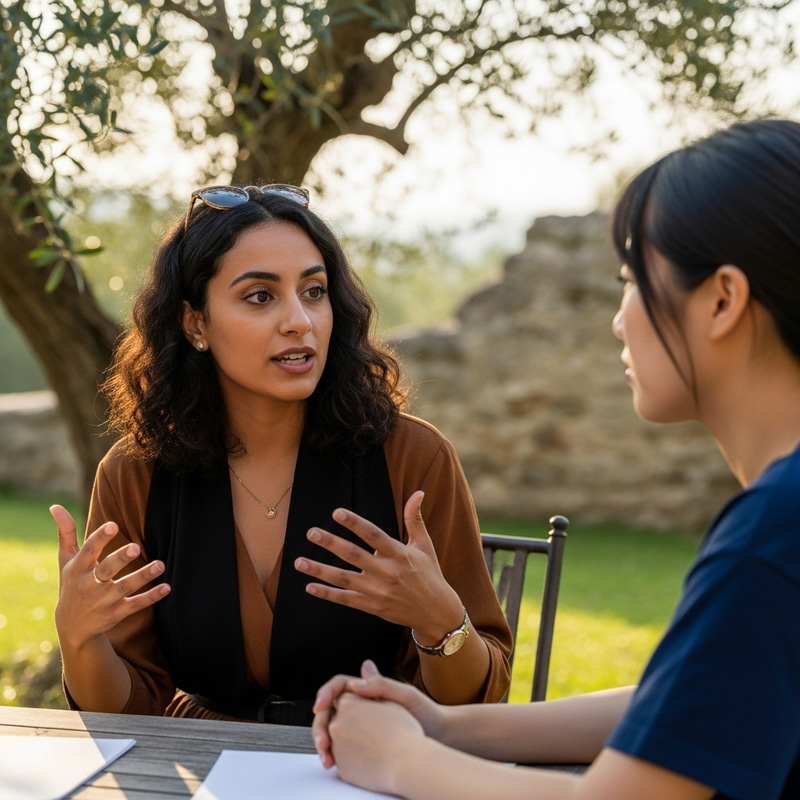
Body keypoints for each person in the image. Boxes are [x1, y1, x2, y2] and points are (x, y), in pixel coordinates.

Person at [312, 118, 800, 799]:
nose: (618, 318)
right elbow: (685, 702)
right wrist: (447, 727)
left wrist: (400, 761)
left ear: (722, 300)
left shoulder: (772, 536)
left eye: (633, 282)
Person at [50, 183, 512, 726]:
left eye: (314, 291)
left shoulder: (412, 458)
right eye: (260, 296)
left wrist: (440, 621)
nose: (300, 320)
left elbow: (474, 700)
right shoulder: (136, 473)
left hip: (367, 761)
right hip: (201, 766)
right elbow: (127, 709)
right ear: (196, 323)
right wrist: (78, 638)